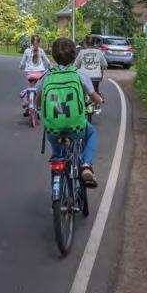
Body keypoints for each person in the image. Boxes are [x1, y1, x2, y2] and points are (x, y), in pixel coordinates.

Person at [36, 37, 102, 188]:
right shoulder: (80, 75)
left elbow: (38, 100)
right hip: (76, 128)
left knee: (58, 155)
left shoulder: (46, 76)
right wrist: (99, 101)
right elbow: (93, 96)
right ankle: (86, 165)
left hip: (53, 129)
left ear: (53, 56)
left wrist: (39, 108)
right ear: (74, 56)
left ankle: (57, 182)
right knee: (91, 133)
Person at [18, 34, 50, 116]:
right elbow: (48, 62)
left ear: (31, 42)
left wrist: (21, 67)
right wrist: (49, 68)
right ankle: (38, 106)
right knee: (39, 90)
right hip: (40, 75)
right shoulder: (41, 51)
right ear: (39, 42)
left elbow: (22, 63)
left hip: (30, 75)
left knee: (30, 89)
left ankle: (28, 105)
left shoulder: (27, 51)